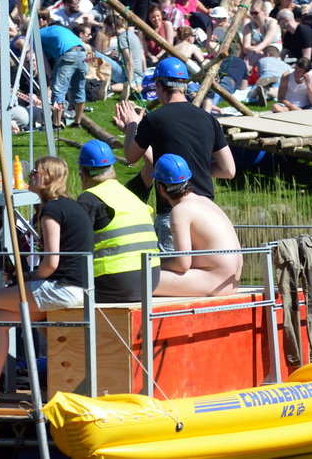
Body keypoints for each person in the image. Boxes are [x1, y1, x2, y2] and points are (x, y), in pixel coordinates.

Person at [0, 156, 89, 400]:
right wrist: (29, 276)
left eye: (35, 172)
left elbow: (51, 262)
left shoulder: (51, 210)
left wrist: (28, 278)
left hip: (63, 288)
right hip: (75, 288)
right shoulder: (71, 206)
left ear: (48, 177)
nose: (30, 176)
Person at [114, 57, 235, 251]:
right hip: (206, 212)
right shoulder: (209, 119)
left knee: (173, 268)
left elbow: (131, 156)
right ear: (184, 86)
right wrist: (199, 166)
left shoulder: (154, 119)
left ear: (159, 86)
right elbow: (228, 170)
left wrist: (131, 126)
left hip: (173, 213)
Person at [76, 140, 160, 300]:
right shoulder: (129, 195)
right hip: (151, 279)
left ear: (83, 174)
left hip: (115, 282)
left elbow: (75, 246)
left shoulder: (89, 198)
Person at [151, 154, 243, 297]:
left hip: (215, 282)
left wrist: (156, 266)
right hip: (230, 281)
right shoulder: (205, 201)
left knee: (142, 279)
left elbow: (182, 264)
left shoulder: (180, 211)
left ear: (160, 188)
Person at [38, 17, 89, 128]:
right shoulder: (60, 30)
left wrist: (51, 76)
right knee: (79, 89)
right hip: (82, 53)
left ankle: (56, 124)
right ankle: (77, 122)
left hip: (68, 54)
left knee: (58, 90)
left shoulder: (36, 35)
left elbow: (42, 59)